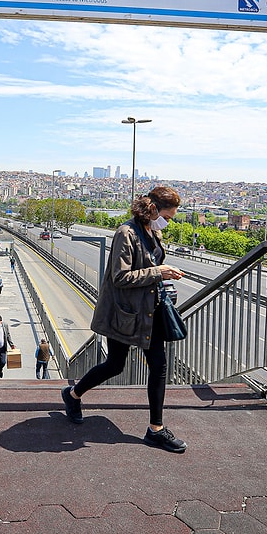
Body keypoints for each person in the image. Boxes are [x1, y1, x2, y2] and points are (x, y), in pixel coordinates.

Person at [60, 186, 188, 453]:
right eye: (168, 215)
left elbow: (149, 268)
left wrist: (162, 274)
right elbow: (120, 277)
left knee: (159, 366)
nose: (169, 220)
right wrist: (159, 272)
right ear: (153, 209)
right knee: (115, 365)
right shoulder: (126, 233)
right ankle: (72, 395)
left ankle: (156, 429)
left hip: (149, 312)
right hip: (125, 314)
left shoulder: (154, 231)